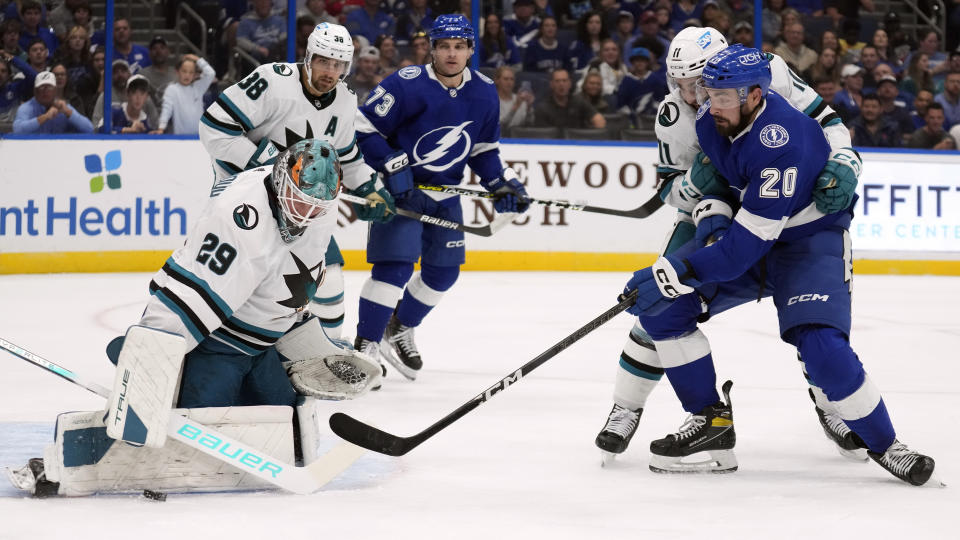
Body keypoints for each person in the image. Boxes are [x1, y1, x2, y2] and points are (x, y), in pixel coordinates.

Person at [619, 45, 938, 487]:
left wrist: (675, 272)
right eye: (708, 92)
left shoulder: (782, 138)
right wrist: (711, 219)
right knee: (664, 312)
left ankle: (887, 444)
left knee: (821, 347)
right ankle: (712, 427)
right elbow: (727, 192)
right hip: (758, 233)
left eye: (724, 95)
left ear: (754, 95)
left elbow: (741, 252)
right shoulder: (714, 121)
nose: (711, 103)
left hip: (808, 241)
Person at [5, 139, 382, 498]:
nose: (308, 214)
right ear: (281, 179)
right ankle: (64, 462)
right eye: (300, 203)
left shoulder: (318, 206)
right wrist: (147, 366)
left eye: (317, 206)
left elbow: (296, 283)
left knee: (290, 430)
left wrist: (307, 342)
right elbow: (186, 299)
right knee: (195, 433)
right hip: (215, 347)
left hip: (263, 349)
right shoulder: (237, 218)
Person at [594, 29, 865, 466]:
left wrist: (845, 161)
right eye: (680, 83)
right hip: (713, 212)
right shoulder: (672, 115)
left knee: (809, 316)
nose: (689, 92)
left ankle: (833, 406)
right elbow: (669, 189)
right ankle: (627, 406)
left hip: (785, 207)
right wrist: (693, 187)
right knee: (660, 304)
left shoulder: (769, 72)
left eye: (697, 82)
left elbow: (828, 122)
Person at [351, 14, 530, 380]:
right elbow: (363, 129)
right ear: (432, 49)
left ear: (470, 50)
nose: (452, 54)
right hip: (402, 194)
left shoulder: (483, 90)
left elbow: (483, 150)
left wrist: (502, 183)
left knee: (443, 273)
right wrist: (390, 163)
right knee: (395, 268)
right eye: (444, 46)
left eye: (459, 46)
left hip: (445, 195)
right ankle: (365, 345)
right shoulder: (406, 84)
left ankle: (398, 327)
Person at [200, 22, 395, 343]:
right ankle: (195, 336)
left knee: (328, 279)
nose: (330, 72)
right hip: (247, 203)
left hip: (301, 212)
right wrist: (270, 164)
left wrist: (370, 187)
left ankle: (327, 353)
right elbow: (214, 127)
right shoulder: (272, 81)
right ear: (308, 57)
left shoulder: (345, 99)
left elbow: (345, 156)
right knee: (234, 284)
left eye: (338, 65)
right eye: (323, 61)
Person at [13, 69, 92, 133]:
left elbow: (89, 129)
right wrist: (45, 117)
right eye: (42, 87)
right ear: (35, 91)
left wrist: (68, 112)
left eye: (49, 87)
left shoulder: (62, 107)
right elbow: (18, 129)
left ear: (55, 90)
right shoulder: (27, 107)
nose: (45, 91)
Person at [157, 52, 215, 134]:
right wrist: (161, 128)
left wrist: (197, 59)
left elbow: (211, 73)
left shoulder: (198, 87)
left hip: (199, 137)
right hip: (180, 138)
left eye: (191, 72)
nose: (187, 75)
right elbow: (167, 109)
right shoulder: (172, 89)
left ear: (195, 75)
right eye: (184, 71)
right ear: (177, 72)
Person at [533, 67, 606, 130]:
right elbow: (542, 137)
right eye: (557, 81)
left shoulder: (578, 101)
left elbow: (599, 120)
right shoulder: (543, 108)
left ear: (570, 83)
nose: (561, 84)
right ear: (551, 84)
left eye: (564, 81)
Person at [139, 36, 178, 109]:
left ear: (168, 52)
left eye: (162, 48)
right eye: (154, 48)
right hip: (152, 117)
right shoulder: (142, 75)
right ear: (150, 53)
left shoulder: (177, 74)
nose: (158, 51)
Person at [495, 65, 532, 131]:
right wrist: (516, 106)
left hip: (520, 138)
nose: (509, 82)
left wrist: (529, 107)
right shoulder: (492, 101)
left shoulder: (520, 99)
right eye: (506, 79)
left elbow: (529, 124)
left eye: (512, 79)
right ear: (497, 81)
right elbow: (501, 126)